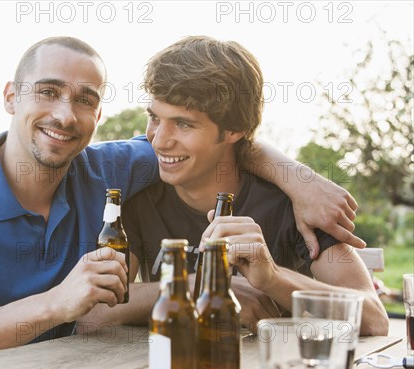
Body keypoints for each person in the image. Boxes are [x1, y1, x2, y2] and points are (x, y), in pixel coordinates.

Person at [0, 36, 366, 369]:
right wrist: (57, 303)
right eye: (47, 92)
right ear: (10, 97)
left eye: (85, 100)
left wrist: (302, 180)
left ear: (99, 113)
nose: (65, 114)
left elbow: (214, 138)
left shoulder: (106, 170)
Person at [122, 36, 388, 335]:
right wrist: (199, 287)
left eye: (183, 124)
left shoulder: (294, 203)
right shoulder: (138, 197)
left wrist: (273, 278)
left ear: (235, 129)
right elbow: (96, 315)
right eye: (154, 117)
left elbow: (373, 317)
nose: (158, 140)